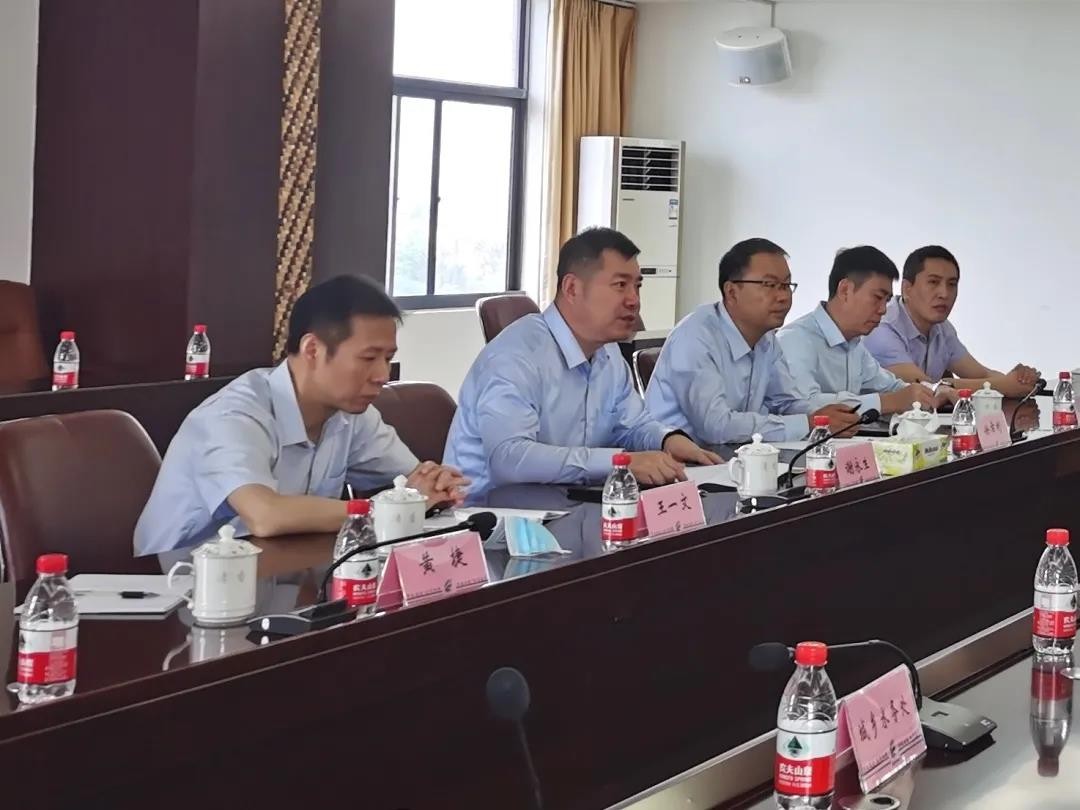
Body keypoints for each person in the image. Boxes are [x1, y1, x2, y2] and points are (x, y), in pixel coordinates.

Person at [134, 276, 467, 555]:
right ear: (312, 349)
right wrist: (391, 508)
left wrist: (435, 486)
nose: (382, 375)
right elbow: (266, 515)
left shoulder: (351, 414)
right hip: (176, 585)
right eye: (368, 358)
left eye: (388, 358)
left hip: (282, 574)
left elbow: (414, 481)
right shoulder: (233, 415)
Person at [444, 227, 719, 506]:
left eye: (637, 286)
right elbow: (510, 458)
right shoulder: (515, 356)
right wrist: (620, 462)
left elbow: (632, 425)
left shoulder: (608, 353)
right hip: (491, 518)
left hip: (570, 506)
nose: (633, 300)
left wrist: (667, 440)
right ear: (572, 288)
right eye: (620, 285)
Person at [644, 238, 858, 445]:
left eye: (786, 285)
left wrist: (823, 417)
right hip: (677, 462)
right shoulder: (695, 336)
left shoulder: (766, 339)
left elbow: (784, 403)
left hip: (734, 456)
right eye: (770, 284)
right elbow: (716, 426)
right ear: (731, 291)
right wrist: (807, 423)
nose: (783, 297)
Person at [777, 246, 949, 416]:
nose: (883, 310)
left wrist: (937, 392)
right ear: (845, 290)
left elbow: (893, 387)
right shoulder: (795, 339)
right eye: (877, 297)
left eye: (887, 300)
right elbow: (801, 404)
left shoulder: (854, 345)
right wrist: (888, 402)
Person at [863, 245, 1040, 397]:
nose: (944, 293)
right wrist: (1004, 386)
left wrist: (1019, 381)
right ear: (907, 288)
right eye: (933, 282)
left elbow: (981, 373)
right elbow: (926, 388)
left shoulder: (942, 328)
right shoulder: (881, 327)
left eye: (952, 284)